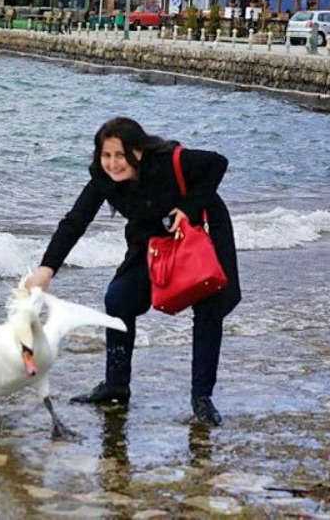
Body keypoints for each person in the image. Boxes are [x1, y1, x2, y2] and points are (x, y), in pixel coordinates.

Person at [24, 117, 241, 426]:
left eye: (119, 155)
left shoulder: (168, 162)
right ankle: (116, 385)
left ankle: (202, 399)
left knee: (208, 308)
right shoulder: (103, 178)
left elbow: (217, 163)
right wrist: (47, 269)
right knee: (119, 299)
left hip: (200, 235)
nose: (112, 163)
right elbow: (75, 221)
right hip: (151, 241)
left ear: (137, 151)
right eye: (105, 155)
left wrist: (188, 209)